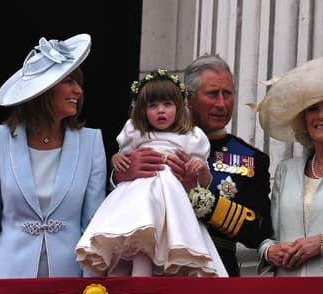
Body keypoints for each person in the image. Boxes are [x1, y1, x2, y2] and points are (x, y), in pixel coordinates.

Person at [112, 55, 272, 277]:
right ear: (187, 99)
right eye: (212, 94)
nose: (221, 104)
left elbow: (259, 231)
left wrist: (198, 198)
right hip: (151, 268)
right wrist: (120, 176)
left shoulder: (251, 158)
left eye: (227, 94)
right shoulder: (146, 138)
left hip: (212, 272)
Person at [0, 34, 107, 278]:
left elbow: (92, 225)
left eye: (78, 82)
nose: (78, 90)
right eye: (68, 81)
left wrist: (91, 286)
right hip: (9, 279)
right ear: (43, 88)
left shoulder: (91, 142)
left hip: (69, 281)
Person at [75, 69, 228, 277]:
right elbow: (123, 157)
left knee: (162, 241)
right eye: (153, 106)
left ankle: (142, 285)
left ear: (180, 106)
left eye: (167, 104)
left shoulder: (191, 136)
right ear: (142, 109)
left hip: (172, 200)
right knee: (134, 238)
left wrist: (199, 168)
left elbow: (205, 181)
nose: (161, 111)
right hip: (138, 194)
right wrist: (116, 159)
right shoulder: (135, 132)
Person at [255, 54, 323, 276]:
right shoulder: (286, 170)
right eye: (312, 109)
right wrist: (269, 250)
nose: (321, 116)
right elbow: (270, 234)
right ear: (303, 118)